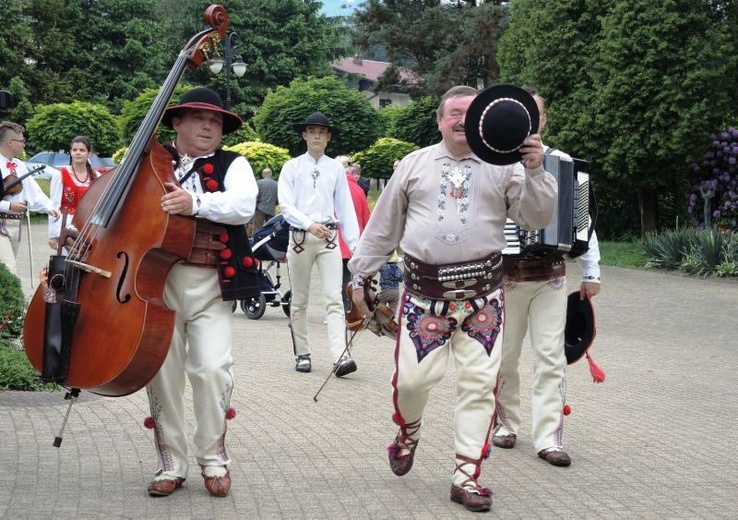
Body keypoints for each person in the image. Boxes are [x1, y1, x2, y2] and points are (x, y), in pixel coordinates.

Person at [348, 85, 557, 512]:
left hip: (485, 298)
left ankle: (466, 475)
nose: (461, 120)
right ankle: (408, 433)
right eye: (453, 113)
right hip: (424, 297)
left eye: (469, 113)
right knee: (412, 381)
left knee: (480, 386)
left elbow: (536, 218)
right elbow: (384, 226)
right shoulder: (413, 164)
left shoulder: (508, 166)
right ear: (440, 120)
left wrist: (535, 171)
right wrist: (359, 278)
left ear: (483, 119)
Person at [144, 88, 258, 498]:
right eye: (198, 118)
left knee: (211, 369)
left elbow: (243, 206)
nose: (209, 126)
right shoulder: (149, 161)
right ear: (176, 122)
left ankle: (213, 457)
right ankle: (171, 463)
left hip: (212, 285)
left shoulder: (235, 164)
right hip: (155, 284)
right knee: (162, 374)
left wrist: (194, 202)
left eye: (215, 121)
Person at [492, 86, 602, 467]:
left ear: (542, 120)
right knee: (504, 357)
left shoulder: (563, 162)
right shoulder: (495, 161)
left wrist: (592, 270)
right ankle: (505, 424)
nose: (529, 121)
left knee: (550, 358)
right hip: (504, 277)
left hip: (551, 276)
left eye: (535, 114)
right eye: (523, 114)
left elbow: (582, 223)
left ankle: (549, 437)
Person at [278, 112, 360, 376]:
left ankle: (341, 356)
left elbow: (345, 209)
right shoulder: (291, 167)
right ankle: (302, 352)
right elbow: (286, 205)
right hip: (301, 238)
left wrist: (356, 247)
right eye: (312, 131)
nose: (316, 135)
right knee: (300, 299)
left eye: (321, 132)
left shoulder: (335, 168)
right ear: (304, 134)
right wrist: (308, 223)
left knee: (334, 298)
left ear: (328, 137)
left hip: (329, 239)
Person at [0, 121, 60, 275]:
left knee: (8, 265)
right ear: (10, 142)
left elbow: (34, 192)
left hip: (15, 222)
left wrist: (49, 207)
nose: (23, 145)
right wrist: (9, 206)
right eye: (21, 141)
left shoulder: (19, 165)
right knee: (8, 267)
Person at [48, 136, 100, 253]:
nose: (78, 153)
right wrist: (53, 234)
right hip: (67, 224)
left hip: (89, 225)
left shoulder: (96, 176)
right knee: (68, 260)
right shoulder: (61, 174)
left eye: (82, 150)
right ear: (71, 152)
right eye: (75, 150)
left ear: (89, 153)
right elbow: (54, 205)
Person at [340, 165, 371, 312]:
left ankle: (343, 310)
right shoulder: (359, 190)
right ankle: (355, 310)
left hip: (339, 240)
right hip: (357, 241)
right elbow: (367, 218)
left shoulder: (338, 189)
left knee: (340, 280)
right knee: (356, 279)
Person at [252, 167, 278, 232]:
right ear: (271, 174)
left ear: (263, 174)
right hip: (271, 210)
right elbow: (278, 199)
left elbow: (255, 196)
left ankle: (257, 241)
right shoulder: (277, 184)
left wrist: (255, 207)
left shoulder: (259, 183)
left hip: (260, 209)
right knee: (271, 229)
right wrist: (273, 204)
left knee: (257, 229)